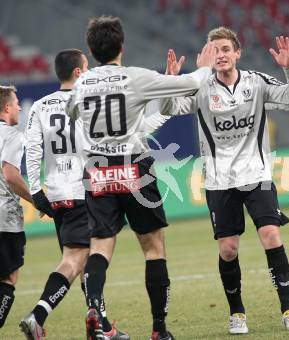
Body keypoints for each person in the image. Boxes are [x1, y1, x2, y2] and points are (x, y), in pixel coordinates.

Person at [67, 15, 216, 340]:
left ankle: (94, 306)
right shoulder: (135, 77)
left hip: (97, 171)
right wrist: (203, 66)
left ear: (91, 52)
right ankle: (159, 329)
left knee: (100, 246)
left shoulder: (81, 84)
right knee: (152, 247)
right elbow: (191, 85)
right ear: (122, 46)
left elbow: (72, 113)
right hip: (133, 167)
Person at [163, 26, 289, 334]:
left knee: (271, 235)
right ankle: (237, 313)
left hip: (256, 175)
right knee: (228, 249)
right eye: (215, 50)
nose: (221, 55)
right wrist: (174, 81)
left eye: (226, 49)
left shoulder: (256, 82)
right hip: (218, 180)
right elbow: (167, 108)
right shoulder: (200, 87)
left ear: (237, 53)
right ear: (208, 56)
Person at [21, 49, 129, 340]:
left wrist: (35, 189)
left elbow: (32, 149)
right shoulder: (89, 102)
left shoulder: (40, 106)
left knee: (82, 261)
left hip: (57, 193)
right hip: (85, 190)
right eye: (86, 66)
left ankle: (102, 326)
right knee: (79, 260)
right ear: (79, 72)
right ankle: (38, 315)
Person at [0, 85, 33, 329]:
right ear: (7, 108)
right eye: (17, 102)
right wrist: (36, 200)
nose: (20, 107)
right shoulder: (12, 136)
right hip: (4, 219)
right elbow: (11, 175)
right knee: (8, 277)